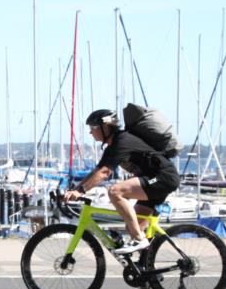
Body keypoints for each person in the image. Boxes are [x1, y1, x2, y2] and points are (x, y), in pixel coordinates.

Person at [63, 109, 180, 255]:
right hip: (154, 179)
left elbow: (104, 173)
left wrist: (80, 191)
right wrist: (75, 189)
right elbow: (97, 171)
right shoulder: (112, 146)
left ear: (105, 127)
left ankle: (139, 239)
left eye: (93, 128)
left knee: (115, 191)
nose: (91, 133)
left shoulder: (123, 141)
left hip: (163, 177)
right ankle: (147, 269)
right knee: (132, 226)